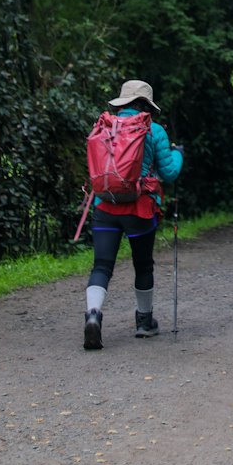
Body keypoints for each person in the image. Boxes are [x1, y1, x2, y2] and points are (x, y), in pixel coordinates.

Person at [83, 79, 183, 350]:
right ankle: (144, 322)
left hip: (105, 205)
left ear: (123, 102)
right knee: (143, 265)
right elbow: (170, 172)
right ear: (146, 105)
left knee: (102, 266)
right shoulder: (155, 130)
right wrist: (179, 155)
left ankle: (93, 315)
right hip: (139, 208)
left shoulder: (105, 126)